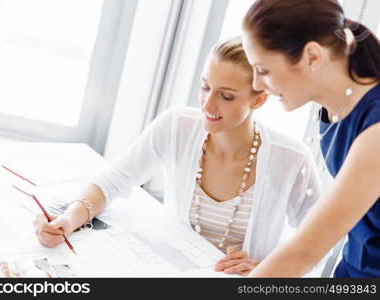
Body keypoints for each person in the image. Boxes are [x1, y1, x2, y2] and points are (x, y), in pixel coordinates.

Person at [34, 37, 322, 276]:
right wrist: (69, 220)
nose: (208, 103)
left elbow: (320, 240)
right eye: (205, 86)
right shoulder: (177, 126)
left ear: (258, 99)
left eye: (226, 95)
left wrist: (267, 270)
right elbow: (114, 180)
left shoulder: (291, 159)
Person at [241, 0, 380, 277]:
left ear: (313, 57)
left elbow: (305, 252)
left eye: (264, 70)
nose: (257, 84)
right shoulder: (335, 108)